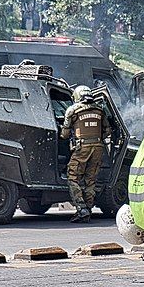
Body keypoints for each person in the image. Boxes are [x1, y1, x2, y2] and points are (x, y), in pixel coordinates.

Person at [60, 85, 110, 223]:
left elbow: (64, 134)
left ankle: (81, 209)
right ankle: (88, 208)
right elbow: (108, 131)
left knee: (73, 177)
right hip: (98, 148)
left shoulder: (72, 110)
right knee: (90, 179)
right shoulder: (100, 110)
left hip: (82, 148)